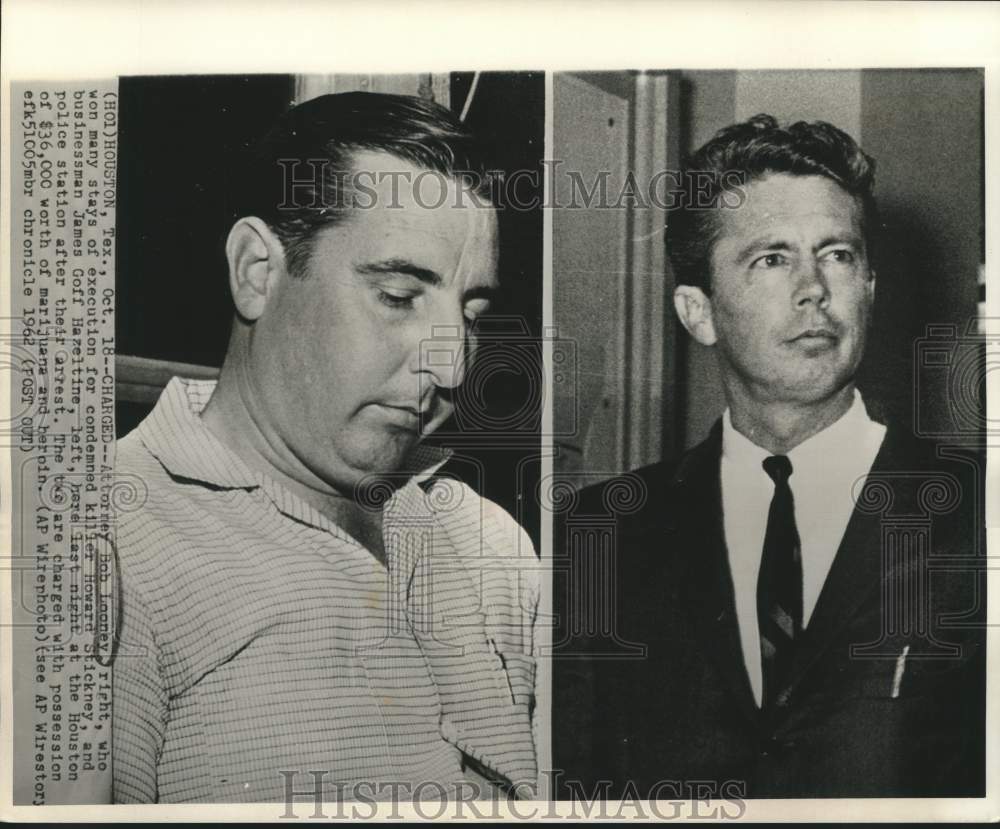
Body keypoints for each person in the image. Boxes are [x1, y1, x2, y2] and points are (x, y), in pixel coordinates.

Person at [111, 92, 539, 804]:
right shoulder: (107, 543)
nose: (453, 366)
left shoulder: (490, 543)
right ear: (257, 271)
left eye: (471, 315)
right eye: (398, 295)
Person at [553, 115, 985, 799]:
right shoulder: (597, 537)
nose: (814, 287)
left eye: (837, 254)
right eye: (772, 259)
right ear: (698, 312)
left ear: (870, 287)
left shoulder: (976, 513)